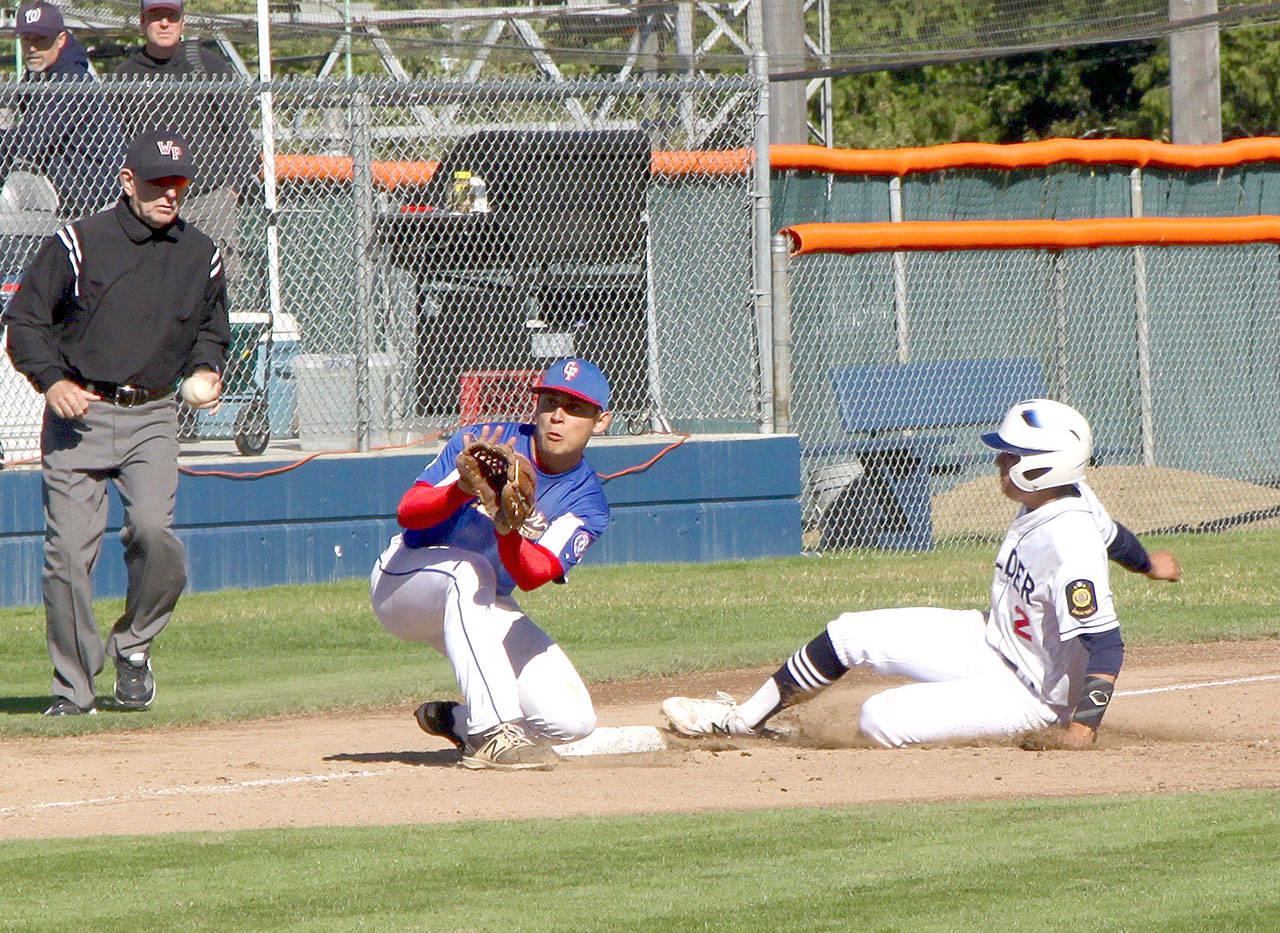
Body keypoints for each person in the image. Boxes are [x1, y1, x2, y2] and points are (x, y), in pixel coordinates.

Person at [662, 398, 1182, 750]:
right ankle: (741, 722)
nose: (1000, 461)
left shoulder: (1069, 542)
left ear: (1042, 465)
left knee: (879, 718)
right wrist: (1150, 564)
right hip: (989, 641)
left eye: (1011, 454)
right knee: (849, 633)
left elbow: (1107, 645)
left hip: (1028, 695)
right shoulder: (1072, 495)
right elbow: (1113, 534)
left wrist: (1080, 734)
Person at [2, 129, 230, 716]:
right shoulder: (79, 242)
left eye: (178, 183)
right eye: (157, 182)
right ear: (128, 182)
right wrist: (52, 381)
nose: (169, 193)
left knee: (155, 534)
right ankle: (74, 692)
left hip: (152, 413)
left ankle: (133, 648)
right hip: (81, 412)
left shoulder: (201, 252)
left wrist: (206, 367)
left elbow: (211, 327)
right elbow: (25, 322)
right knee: (68, 555)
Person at [370, 358, 613, 771]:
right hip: (405, 581)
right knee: (469, 571)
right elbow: (408, 511)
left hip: (479, 605)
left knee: (571, 721)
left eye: (575, 408)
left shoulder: (587, 503)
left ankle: (457, 721)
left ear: (601, 421)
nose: (557, 415)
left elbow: (532, 574)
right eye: (550, 401)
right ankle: (490, 732)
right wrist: (462, 489)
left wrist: (506, 526)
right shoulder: (485, 441)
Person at [112, 0, 255, 287]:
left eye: (171, 17)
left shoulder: (207, 66)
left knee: (215, 285)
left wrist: (231, 189)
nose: (164, 23)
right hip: (152, 199)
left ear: (183, 22)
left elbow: (240, 134)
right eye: (156, 16)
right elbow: (120, 139)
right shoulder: (126, 75)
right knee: (155, 286)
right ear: (142, 21)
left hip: (208, 198)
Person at [0, 1, 124, 217]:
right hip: (63, 184)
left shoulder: (72, 80)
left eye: (41, 39)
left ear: (61, 40)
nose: (32, 47)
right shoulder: (38, 77)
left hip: (94, 194)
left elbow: (32, 141)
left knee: (13, 189)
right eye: (26, 39)